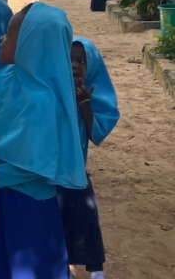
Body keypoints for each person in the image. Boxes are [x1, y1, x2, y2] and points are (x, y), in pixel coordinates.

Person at [0, 2, 88, 279]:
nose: (2, 39)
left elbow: (33, 164)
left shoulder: (44, 100)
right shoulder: (2, 78)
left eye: (10, 34)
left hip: (27, 205)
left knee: (28, 267)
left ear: (31, 43)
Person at [56, 37, 120, 279]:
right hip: (48, 172)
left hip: (75, 172)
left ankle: (96, 270)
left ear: (92, 66)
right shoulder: (49, 88)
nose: (74, 64)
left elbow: (96, 134)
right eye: (68, 58)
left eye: (81, 60)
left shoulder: (91, 91)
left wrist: (84, 105)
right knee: (56, 223)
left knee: (86, 219)